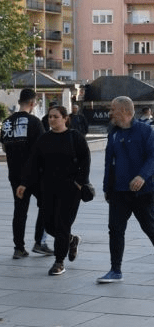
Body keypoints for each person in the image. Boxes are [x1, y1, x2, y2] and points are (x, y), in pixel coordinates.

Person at [97, 96, 154, 283]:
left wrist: (142, 176)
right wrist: (107, 187)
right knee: (115, 229)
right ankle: (115, 270)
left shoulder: (145, 130)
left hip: (144, 190)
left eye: (114, 109)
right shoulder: (113, 132)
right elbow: (108, 162)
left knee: (148, 225)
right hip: (119, 191)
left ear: (127, 112)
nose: (110, 113)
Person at [18, 106, 90, 276]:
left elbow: (85, 160)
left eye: (55, 117)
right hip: (48, 189)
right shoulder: (44, 139)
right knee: (50, 225)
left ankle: (59, 261)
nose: (51, 120)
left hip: (70, 190)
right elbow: (33, 163)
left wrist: (80, 182)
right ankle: (72, 240)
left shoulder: (75, 137)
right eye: (49, 117)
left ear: (65, 118)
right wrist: (24, 183)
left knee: (63, 225)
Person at [1, 88, 51, 259]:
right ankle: (39, 242)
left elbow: (4, 147)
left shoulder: (6, 123)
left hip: (14, 174)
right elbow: (42, 150)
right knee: (46, 203)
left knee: (19, 210)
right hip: (34, 174)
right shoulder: (35, 122)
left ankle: (19, 248)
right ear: (32, 103)